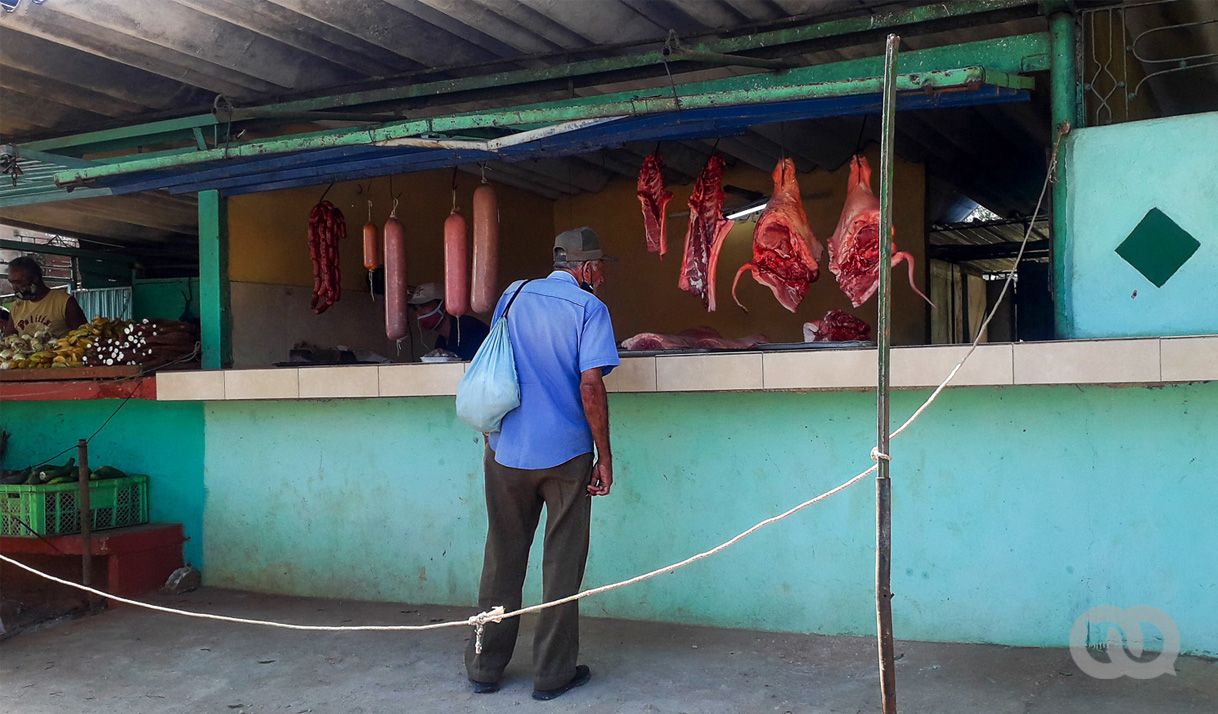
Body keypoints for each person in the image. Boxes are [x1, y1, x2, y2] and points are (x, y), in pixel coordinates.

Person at [465, 227, 619, 701]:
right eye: (600, 267)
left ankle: (484, 667)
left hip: (507, 449)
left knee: (502, 557)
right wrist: (605, 455)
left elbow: (499, 362)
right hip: (566, 456)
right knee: (562, 564)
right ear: (587, 268)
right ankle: (552, 676)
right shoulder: (590, 308)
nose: (602, 275)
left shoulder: (512, 294)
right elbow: (590, 386)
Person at [3, 256, 87, 337]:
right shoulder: (17, 307)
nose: (14, 287)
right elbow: (8, 340)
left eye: (18, 282)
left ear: (35, 278)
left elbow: (84, 335)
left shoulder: (64, 302)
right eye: (11, 282)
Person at [406, 282, 490, 361]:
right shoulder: (441, 341)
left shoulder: (470, 330)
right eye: (415, 308)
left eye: (423, 305)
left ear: (444, 305)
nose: (418, 313)